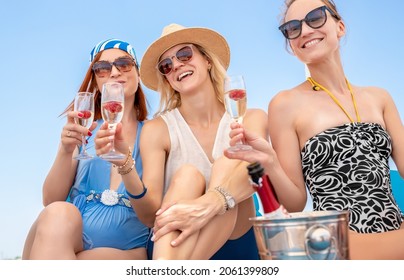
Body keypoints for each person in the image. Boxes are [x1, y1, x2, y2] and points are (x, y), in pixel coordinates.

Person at [225, 0, 404, 259]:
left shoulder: (380, 97)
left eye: (316, 17)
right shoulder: (285, 104)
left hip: (394, 231)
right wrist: (271, 162)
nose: (305, 30)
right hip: (338, 241)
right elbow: (295, 203)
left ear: (340, 26)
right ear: (291, 46)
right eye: (293, 27)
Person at [95, 23, 267, 259]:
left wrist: (208, 204)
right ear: (167, 79)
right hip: (176, 245)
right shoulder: (158, 129)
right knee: (188, 176)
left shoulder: (251, 117)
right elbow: (149, 215)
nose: (176, 65)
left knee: (226, 164)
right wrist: (125, 164)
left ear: (207, 60)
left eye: (185, 54)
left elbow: (256, 174)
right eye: (167, 65)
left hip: (236, 242)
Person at [22, 39, 150, 259]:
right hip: (69, 239)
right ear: (96, 81)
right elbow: (51, 200)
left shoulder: (153, 132)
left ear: (138, 75)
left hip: (126, 251)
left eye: (124, 63)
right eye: (102, 68)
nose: (114, 72)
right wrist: (65, 149)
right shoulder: (84, 129)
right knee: (57, 212)